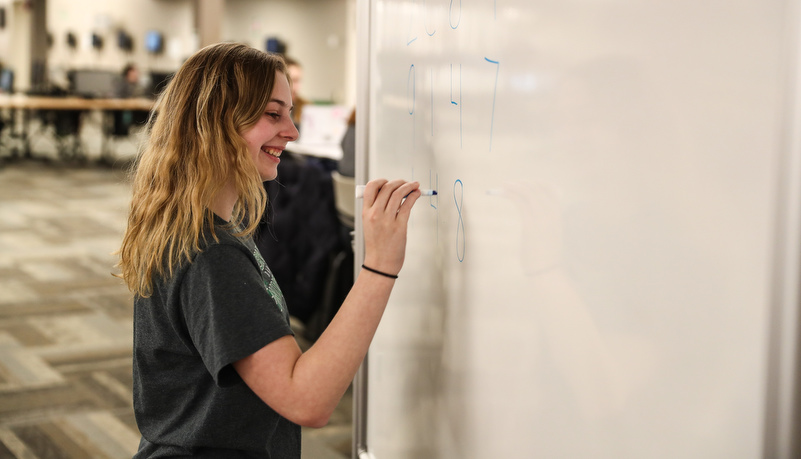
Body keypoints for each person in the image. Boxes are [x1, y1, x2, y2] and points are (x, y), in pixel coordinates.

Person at [116, 42, 422, 458]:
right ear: (216, 122)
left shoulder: (199, 228)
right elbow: (306, 398)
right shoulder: (211, 256)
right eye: (273, 114)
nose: (292, 131)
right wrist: (380, 266)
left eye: (290, 114)